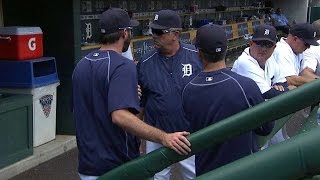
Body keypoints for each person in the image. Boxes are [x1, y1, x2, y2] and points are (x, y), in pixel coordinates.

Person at [72, 8, 192, 180]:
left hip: (88, 165)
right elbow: (119, 116)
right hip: (117, 165)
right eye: (129, 30)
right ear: (124, 34)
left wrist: (126, 92)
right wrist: (163, 137)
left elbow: (90, 104)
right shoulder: (123, 66)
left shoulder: (81, 65)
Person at [182, 24, 274, 176]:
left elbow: (189, 130)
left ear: (199, 53)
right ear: (226, 49)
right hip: (243, 170)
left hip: (207, 171)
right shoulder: (245, 85)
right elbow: (266, 128)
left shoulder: (188, 89)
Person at [137, 9, 202, 180]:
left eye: (159, 32)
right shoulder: (145, 62)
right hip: (157, 134)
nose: (154, 35)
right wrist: (135, 138)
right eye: (152, 31)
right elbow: (142, 102)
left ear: (176, 34)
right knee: (158, 177)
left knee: (196, 175)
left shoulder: (196, 56)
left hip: (191, 134)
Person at [232, 25, 289, 100]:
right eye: (260, 44)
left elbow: (283, 83)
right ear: (251, 43)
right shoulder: (244, 62)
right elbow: (268, 94)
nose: (263, 49)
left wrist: (279, 87)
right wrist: (287, 89)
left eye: (268, 45)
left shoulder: (269, 58)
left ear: (274, 47)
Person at [273, 23, 319, 87]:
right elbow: (290, 80)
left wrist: (316, 80)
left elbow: (303, 73)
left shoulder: (297, 51)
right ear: (295, 39)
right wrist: (316, 83)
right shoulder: (282, 50)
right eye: (306, 44)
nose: (308, 47)